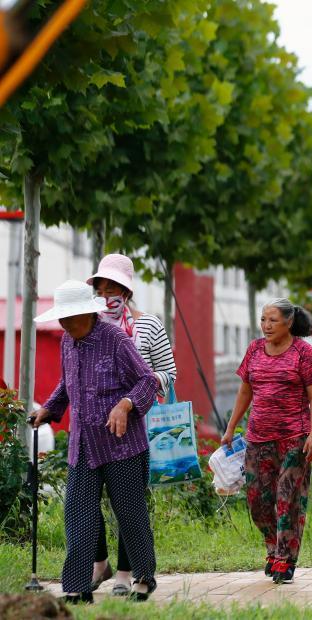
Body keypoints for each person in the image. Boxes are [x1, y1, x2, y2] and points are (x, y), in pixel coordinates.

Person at [30, 280, 159, 604]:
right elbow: (67, 382)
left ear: (88, 312)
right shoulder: (67, 342)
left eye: (70, 318)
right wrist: (49, 408)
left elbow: (146, 379)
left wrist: (125, 405)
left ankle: (143, 579)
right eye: (61, 318)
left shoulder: (115, 339)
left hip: (122, 444)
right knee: (78, 513)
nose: (64, 324)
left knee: (130, 514)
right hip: (83, 444)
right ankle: (78, 586)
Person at [88, 253, 178, 595]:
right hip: (93, 428)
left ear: (126, 290)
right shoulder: (87, 323)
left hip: (134, 427)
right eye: (102, 286)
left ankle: (125, 573)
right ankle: (99, 562)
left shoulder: (148, 326)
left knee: (128, 501)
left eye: (113, 286)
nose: (107, 292)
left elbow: (169, 372)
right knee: (85, 499)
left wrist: (138, 387)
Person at [222, 298, 312, 584]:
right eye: (263, 319)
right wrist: (231, 428)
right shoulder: (254, 349)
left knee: (287, 497)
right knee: (257, 500)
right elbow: (245, 392)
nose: (266, 326)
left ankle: (285, 558)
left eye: (273, 320)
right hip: (258, 438)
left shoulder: (303, 353)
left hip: (294, 438)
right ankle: (272, 545)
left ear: (288, 322)